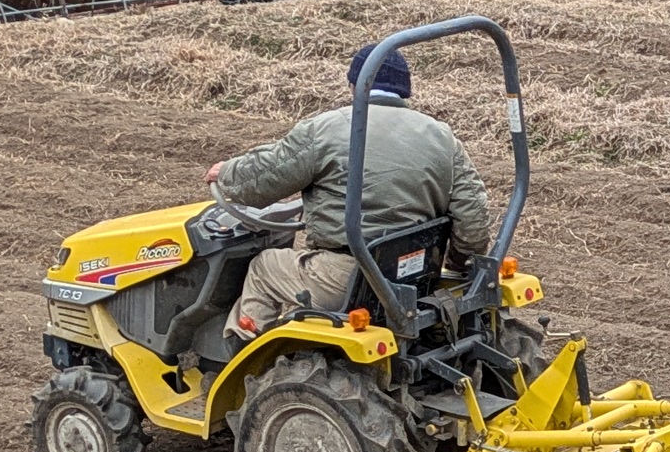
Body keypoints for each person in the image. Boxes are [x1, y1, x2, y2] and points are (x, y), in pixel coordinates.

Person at [209, 40, 491, 340]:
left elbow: (263, 179)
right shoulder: (442, 136)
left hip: (348, 277)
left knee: (264, 267)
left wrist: (226, 174)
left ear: (354, 84)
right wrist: (460, 264)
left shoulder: (327, 129)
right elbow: (472, 215)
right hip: (414, 275)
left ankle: (241, 364)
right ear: (405, 90)